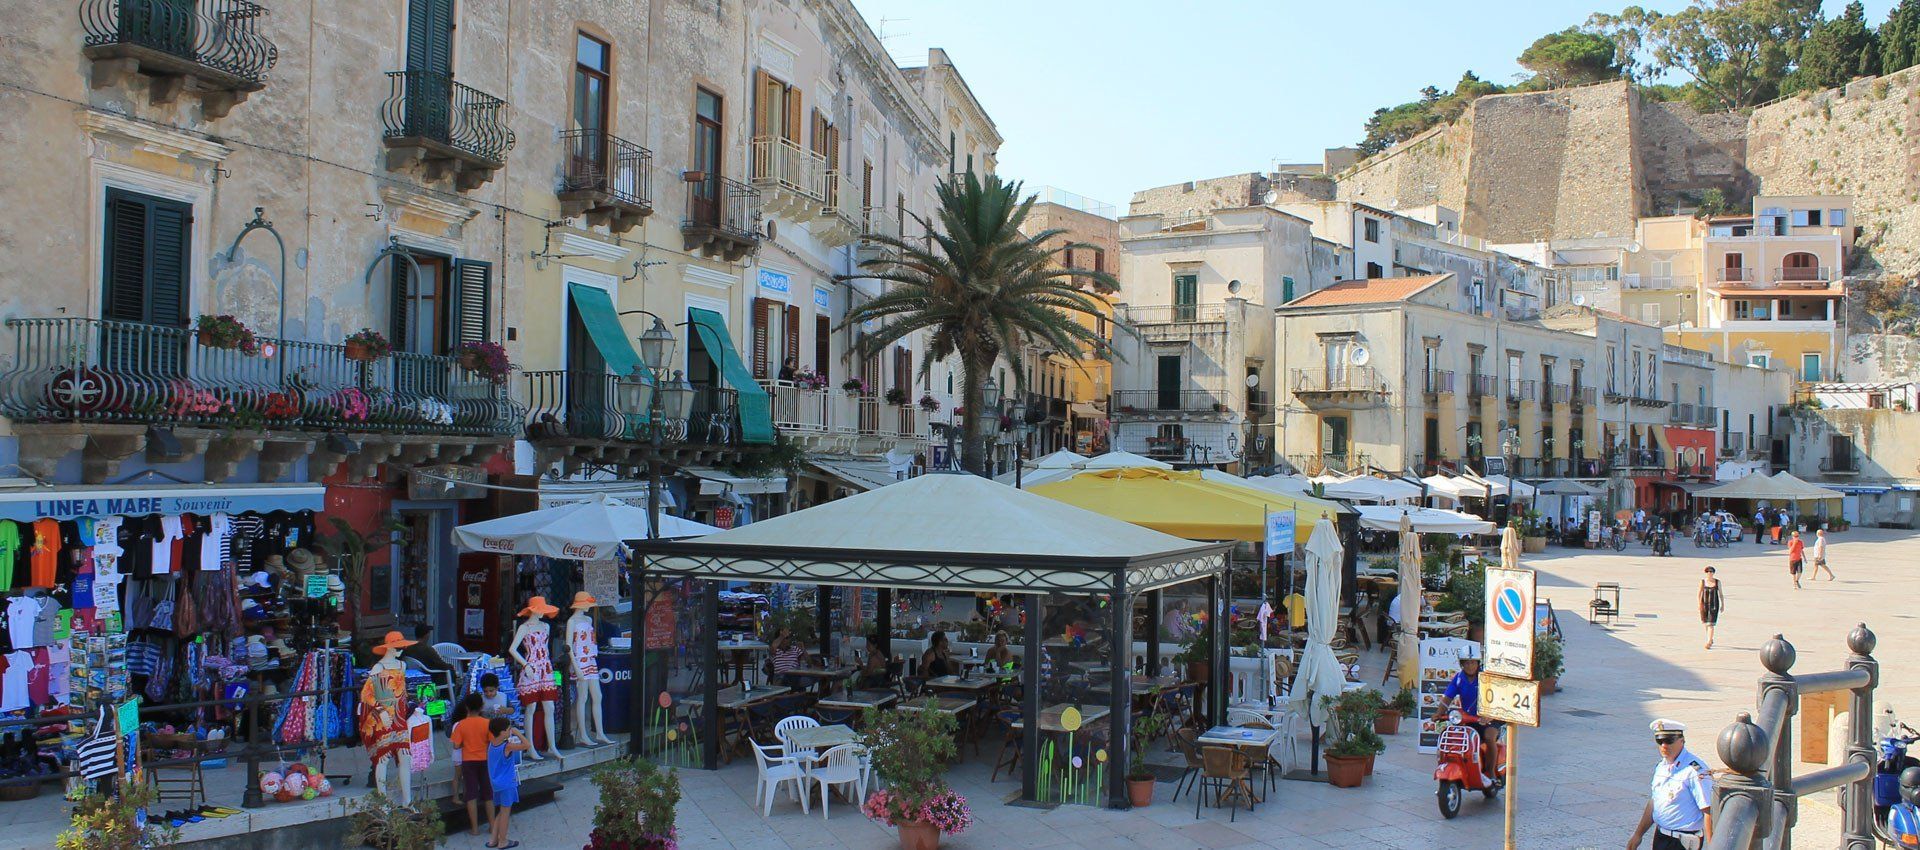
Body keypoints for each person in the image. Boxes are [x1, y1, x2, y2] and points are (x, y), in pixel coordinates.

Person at [1627, 719, 1713, 850]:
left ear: (1682, 740)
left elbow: (1708, 810)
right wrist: (1638, 834)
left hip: (1683, 841)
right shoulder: (1661, 767)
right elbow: (1654, 802)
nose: (1664, 746)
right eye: (1660, 741)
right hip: (1662, 836)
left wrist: (1713, 845)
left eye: (1669, 741)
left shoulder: (1695, 770)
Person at [1432, 644, 1497, 777]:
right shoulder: (1459, 678)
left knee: (1489, 737)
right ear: (1462, 664)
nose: (1470, 666)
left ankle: (1490, 773)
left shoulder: (1486, 677)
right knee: (1458, 739)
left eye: (1473, 662)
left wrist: (1489, 716)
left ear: (1478, 663)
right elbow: (1447, 697)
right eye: (1466, 663)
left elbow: (1497, 698)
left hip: (1491, 718)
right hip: (1470, 718)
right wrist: (1439, 713)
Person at [448, 694, 494, 836]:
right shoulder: (487, 723)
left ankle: (475, 829)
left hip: (468, 762)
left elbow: (456, 746)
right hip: (484, 760)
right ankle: (492, 826)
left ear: (467, 707)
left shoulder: (461, 725)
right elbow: (492, 742)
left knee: (471, 795)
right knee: (488, 794)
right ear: (481, 707)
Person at [486, 717, 530, 850]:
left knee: (502, 810)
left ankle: (493, 839)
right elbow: (527, 745)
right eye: (508, 729)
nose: (510, 730)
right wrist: (517, 733)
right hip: (507, 784)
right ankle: (503, 840)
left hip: (496, 784)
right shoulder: (507, 746)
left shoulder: (492, 744)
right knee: (505, 813)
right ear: (502, 732)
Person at [1699, 567, 1723, 650]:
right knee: (1706, 623)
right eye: (1708, 572)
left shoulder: (1717, 582)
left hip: (1714, 605)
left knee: (1711, 624)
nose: (1710, 573)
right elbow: (1700, 593)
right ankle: (1710, 638)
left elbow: (1720, 594)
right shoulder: (1703, 582)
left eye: (1711, 572)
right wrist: (1699, 605)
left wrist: (1722, 605)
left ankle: (1709, 641)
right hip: (1704, 605)